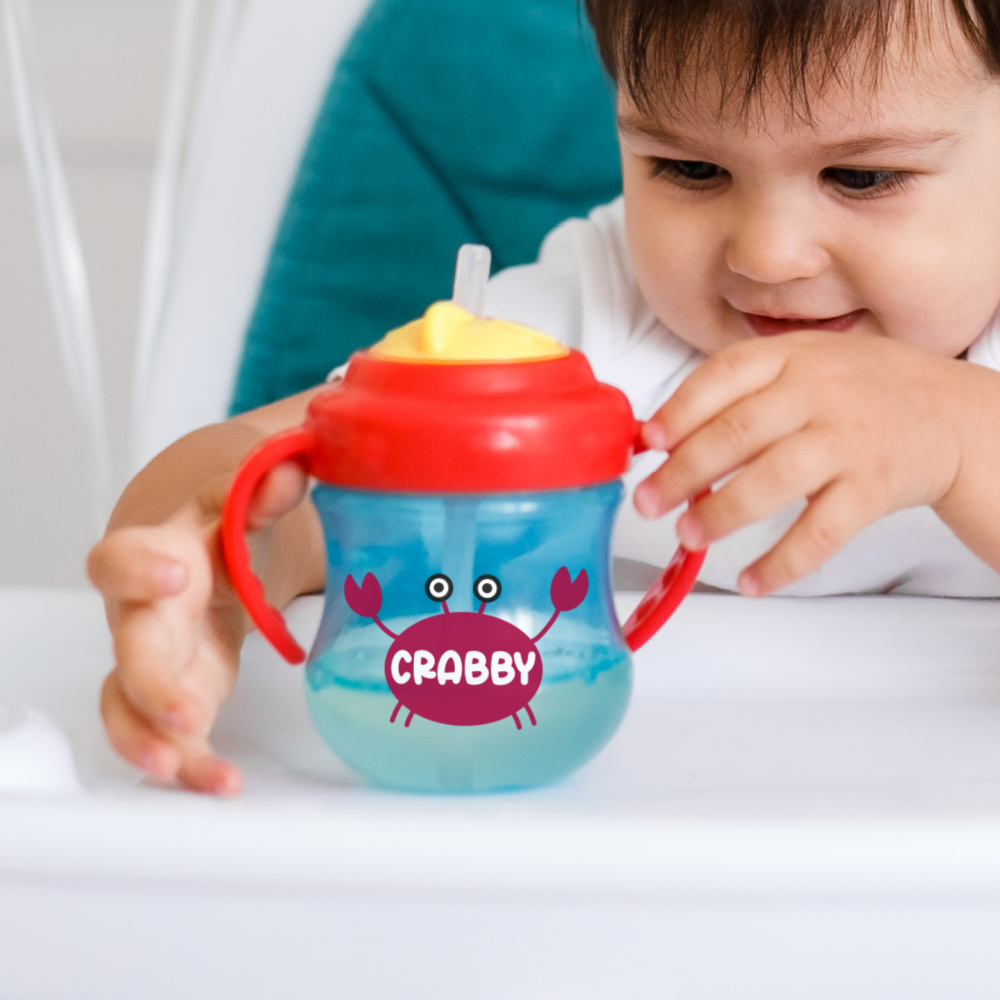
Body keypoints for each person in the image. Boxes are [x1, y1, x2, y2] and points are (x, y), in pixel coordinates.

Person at [88, 0, 1000, 794]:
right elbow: (280, 463)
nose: (765, 254)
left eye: (862, 176)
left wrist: (958, 436)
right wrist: (203, 564)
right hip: (623, 835)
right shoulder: (592, 320)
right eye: (689, 168)